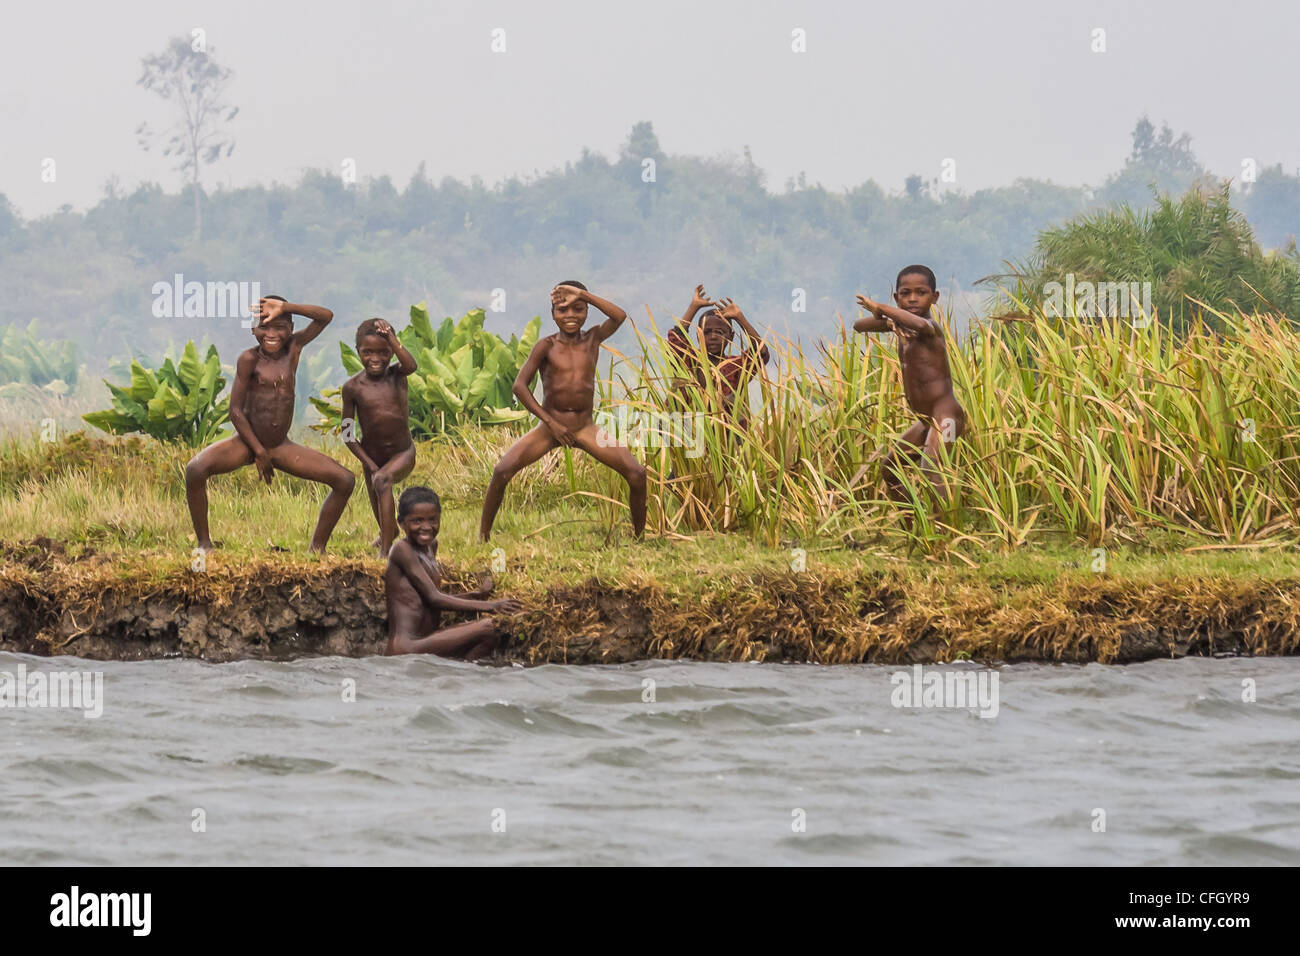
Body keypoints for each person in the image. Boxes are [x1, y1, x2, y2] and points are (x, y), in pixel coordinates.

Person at [185, 295, 355, 553]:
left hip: (280, 446)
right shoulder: (249, 359)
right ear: (254, 329)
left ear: (291, 329)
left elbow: (326, 316)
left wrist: (285, 307)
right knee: (195, 469)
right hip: (245, 443)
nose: (272, 334)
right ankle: (203, 543)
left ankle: (317, 548)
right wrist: (258, 450)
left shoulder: (293, 349)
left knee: (344, 480)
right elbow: (235, 411)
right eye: (264, 326)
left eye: (280, 326)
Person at [479, 281, 647, 540]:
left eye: (578, 309)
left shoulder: (592, 339)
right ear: (553, 314)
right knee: (502, 471)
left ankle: (639, 539)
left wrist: (583, 294)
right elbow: (519, 387)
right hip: (549, 428)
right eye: (562, 310)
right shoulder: (546, 346)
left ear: (587, 310)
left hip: (585, 427)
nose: (570, 316)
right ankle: (483, 536)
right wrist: (551, 423)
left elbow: (619, 316)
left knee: (636, 474)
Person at [854, 265, 966, 503]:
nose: (913, 298)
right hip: (926, 421)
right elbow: (859, 326)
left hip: (947, 416)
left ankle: (943, 531)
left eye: (921, 292)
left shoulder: (930, 328)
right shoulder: (900, 325)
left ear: (934, 298)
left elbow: (918, 324)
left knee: (931, 467)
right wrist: (882, 319)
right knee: (890, 469)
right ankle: (913, 526)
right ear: (897, 297)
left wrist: (882, 308)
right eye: (905, 293)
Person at [386, 486, 522, 657]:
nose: (427, 527)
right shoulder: (401, 550)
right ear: (401, 523)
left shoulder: (431, 547)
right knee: (489, 626)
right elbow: (434, 598)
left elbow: (428, 601)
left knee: (489, 637)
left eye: (433, 520)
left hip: (427, 642)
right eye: (417, 521)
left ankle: (465, 676)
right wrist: (492, 606)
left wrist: (477, 595)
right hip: (406, 649)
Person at [340, 318, 417, 558]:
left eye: (384, 352)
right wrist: (369, 464)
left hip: (403, 453)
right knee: (379, 488)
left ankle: (386, 553)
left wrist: (392, 339)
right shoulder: (352, 388)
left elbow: (411, 365)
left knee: (382, 481)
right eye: (368, 352)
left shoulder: (397, 374)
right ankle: (389, 533)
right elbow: (347, 433)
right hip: (370, 458)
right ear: (358, 352)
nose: (376, 358)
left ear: (392, 352)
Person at [666, 284, 770, 420]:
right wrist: (693, 307)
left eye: (719, 332)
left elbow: (761, 353)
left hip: (727, 438)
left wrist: (740, 318)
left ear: (731, 336)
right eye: (707, 332)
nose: (713, 337)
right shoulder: (689, 360)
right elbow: (676, 340)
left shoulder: (736, 367)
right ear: (698, 335)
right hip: (688, 434)